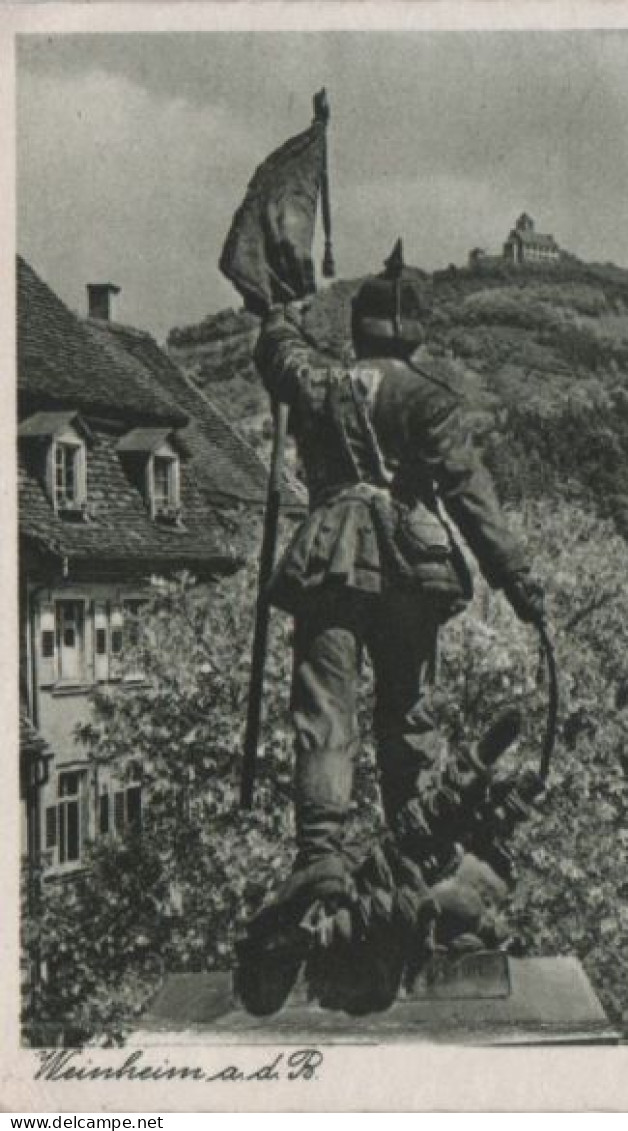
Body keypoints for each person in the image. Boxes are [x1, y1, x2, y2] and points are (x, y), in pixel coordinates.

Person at [241, 242, 546, 982]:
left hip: (331, 557)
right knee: (410, 714)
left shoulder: (318, 378)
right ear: (414, 333)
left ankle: (320, 856)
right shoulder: (429, 397)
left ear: (360, 328)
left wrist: (285, 310)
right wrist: (518, 581)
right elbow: (472, 497)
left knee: (324, 714)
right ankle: (420, 861)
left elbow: (275, 352)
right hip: (412, 566)